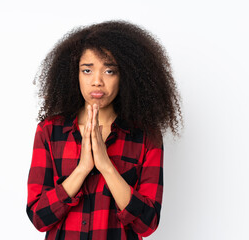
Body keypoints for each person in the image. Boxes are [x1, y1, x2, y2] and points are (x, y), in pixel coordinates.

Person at [26, 20, 183, 240]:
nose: (97, 81)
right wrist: (82, 169)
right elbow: (39, 217)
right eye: (87, 70)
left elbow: (147, 224)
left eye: (109, 70)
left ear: (125, 76)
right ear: (75, 74)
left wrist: (106, 166)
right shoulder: (50, 132)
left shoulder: (146, 136)